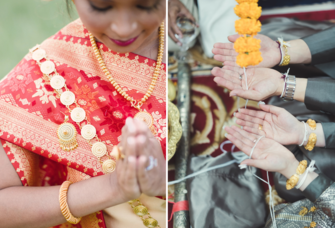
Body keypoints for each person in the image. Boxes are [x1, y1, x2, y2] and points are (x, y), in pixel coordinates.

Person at [0, 0, 166, 227]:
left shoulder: (213, 54)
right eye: (101, 7)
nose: (123, 27)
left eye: (145, 5)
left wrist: (167, 181)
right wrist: (112, 188)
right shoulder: (48, 74)